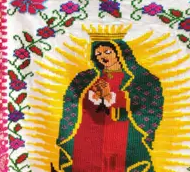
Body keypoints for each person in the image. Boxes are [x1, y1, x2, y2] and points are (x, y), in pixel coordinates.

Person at [54, 39, 162, 172]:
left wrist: (107, 96)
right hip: (89, 130)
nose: (103, 56)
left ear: (120, 53)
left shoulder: (137, 79)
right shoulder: (87, 77)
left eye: (107, 52)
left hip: (120, 131)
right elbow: (74, 102)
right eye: (98, 54)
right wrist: (96, 98)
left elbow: (139, 109)